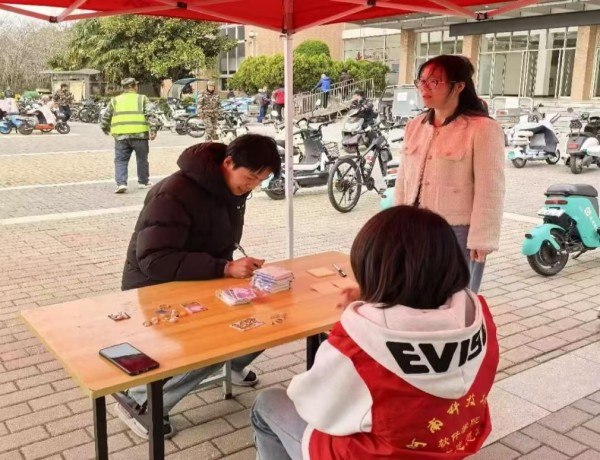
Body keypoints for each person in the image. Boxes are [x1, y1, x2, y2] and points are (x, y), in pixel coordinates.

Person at [251, 205, 499, 460]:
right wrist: (377, 299)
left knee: (267, 403)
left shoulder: (360, 342)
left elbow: (315, 405)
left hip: (377, 455)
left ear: (373, 270)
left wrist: (357, 318)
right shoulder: (478, 315)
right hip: (454, 441)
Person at [116, 134, 281, 440]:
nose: (252, 186)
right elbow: (154, 259)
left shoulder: (228, 188)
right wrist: (225, 268)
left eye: (261, 180)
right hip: (155, 286)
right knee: (216, 341)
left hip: (200, 278)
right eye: (250, 177)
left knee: (269, 316)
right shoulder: (174, 193)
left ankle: (233, 365)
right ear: (228, 163)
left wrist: (230, 268)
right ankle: (140, 400)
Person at [394, 54, 505, 293]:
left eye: (434, 82)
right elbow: (403, 179)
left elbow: (490, 188)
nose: (424, 87)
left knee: (454, 298)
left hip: (456, 231)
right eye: (421, 81)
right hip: (413, 226)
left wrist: (482, 239)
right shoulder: (415, 126)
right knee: (414, 293)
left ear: (459, 86)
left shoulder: (483, 129)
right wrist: (395, 222)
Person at [101, 77, 156, 194]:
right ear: (134, 86)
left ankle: (121, 183)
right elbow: (150, 114)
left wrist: (105, 128)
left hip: (121, 136)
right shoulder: (142, 98)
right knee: (142, 159)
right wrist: (153, 129)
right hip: (140, 135)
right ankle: (143, 182)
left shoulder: (115, 100)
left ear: (124, 88)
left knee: (121, 160)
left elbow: (105, 116)